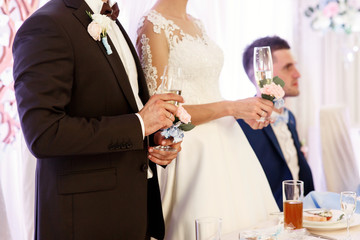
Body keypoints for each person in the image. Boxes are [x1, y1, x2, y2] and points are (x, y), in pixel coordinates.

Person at [12, 0, 185, 239]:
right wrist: (139, 125)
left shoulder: (113, 21)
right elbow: (44, 133)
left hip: (133, 211)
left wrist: (152, 137)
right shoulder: (46, 24)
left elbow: (121, 107)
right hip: (87, 219)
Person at [136, 1, 279, 239]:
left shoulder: (197, 23)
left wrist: (244, 111)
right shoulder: (153, 25)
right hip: (192, 149)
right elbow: (163, 110)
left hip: (229, 141)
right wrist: (232, 107)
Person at [238, 36, 315, 211]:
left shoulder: (290, 117)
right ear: (261, 74)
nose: (298, 74)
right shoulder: (242, 123)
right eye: (288, 67)